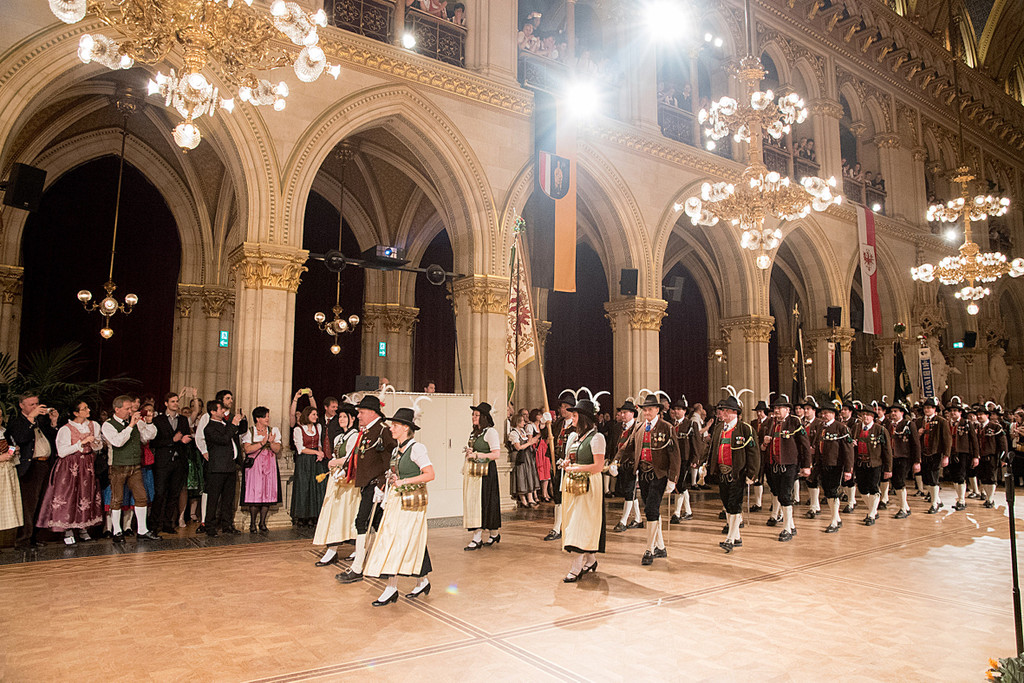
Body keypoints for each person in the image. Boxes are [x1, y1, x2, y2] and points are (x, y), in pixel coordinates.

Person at [363, 405, 435, 606]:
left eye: (395, 425)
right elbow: (398, 474)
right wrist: (388, 483)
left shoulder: (417, 448)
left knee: (400, 541)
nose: (391, 429)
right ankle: (421, 581)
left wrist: (404, 482)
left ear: (405, 428)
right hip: (396, 501)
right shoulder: (396, 449)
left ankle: (391, 588)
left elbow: (430, 474)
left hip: (411, 504)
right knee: (403, 540)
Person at [336, 395, 398, 584]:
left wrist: (382, 481)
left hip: (376, 487)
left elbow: (394, 455)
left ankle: (358, 567)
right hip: (367, 484)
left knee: (361, 521)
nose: (359, 416)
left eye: (361, 413)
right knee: (380, 526)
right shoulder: (367, 431)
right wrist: (346, 470)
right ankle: (386, 563)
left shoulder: (383, 431)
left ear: (372, 413)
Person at [615, 394, 680, 565]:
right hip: (642, 474)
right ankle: (661, 546)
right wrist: (616, 460)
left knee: (651, 508)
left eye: (650, 409)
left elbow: (675, 456)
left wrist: (673, 479)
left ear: (658, 410)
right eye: (644, 409)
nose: (647, 412)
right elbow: (627, 447)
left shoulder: (667, 428)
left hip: (658, 475)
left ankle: (649, 549)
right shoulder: (639, 428)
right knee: (652, 510)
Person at [37, 400, 103, 544]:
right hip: (70, 467)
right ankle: (68, 530)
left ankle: (83, 528)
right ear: (76, 413)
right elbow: (62, 452)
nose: (88, 410)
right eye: (84, 408)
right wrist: (81, 443)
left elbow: (98, 446)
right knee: (70, 496)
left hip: (87, 466)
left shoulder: (93, 425)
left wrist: (94, 443)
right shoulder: (66, 429)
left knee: (85, 496)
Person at [101, 394, 160, 542]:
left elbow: (148, 437)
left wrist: (149, 422)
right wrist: (131, 426)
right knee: (117, 499)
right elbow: (118, 442)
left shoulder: (134, 422)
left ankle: (142, 530)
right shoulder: (108, 425)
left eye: (130, 408)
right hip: (117, 467)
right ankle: (117, 531)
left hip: (135, 466)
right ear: (117, 409)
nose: (130, 411)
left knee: (141, 497)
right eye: (127, 408)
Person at [559, 399, 606, 582]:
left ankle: (576, 567)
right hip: (573, 486)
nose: (572, 418)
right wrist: (566, 464)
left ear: (584, 418)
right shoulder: (573, 438)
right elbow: (570, 458)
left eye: (576, 415)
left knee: (580, 524)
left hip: (589, 486)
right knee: (574, 522)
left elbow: (598, 466)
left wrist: (576, 468)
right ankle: (591, 560)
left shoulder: (597, 438)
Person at [707, 395, 758, 553]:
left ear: (735, 412)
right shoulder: (718, 429)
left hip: (738, 473)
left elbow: (754, 453)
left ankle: (730, 538)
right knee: (727, 503)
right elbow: (713, 450)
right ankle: (736, 536)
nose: (723, 414)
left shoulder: (745, 429)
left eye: (726, 411)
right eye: (722, 411)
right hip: (722, 472)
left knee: (735, 504)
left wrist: (752, 474)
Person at [312, 403, 359, 567]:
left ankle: (350, 549)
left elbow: (351, 458)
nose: (341, 419)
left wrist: (333, 462)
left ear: (352, 419)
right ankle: (332, 549)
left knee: (346, 515)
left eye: (345, 416)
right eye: (340, 417)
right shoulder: (339, 438)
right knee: (332, 513)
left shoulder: (355, 436)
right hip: (336, 480)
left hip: (347, 482)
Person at [10, 393, 57, 547]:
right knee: (29, 505)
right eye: (31, 405)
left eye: (37, 404)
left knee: (42, 503)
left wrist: (53, 422)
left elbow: (52, 439)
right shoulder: (18, 422)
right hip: (30, 467)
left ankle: (35, 537)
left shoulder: (40, 421)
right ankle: (23, 539)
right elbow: (22, 438)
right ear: (21, 406)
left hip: (45, 465)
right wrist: (31, 419)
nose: (36, 407)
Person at [762, 395, 811, 541]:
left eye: (779, 408)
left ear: (787, 410)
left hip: (790, 464)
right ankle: (792, 525)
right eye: (775, 408)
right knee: (777, 493)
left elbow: (805, 445)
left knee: (785, 495)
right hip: (773, 465)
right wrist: (764, 444)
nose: (776, 411)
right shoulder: (771, 423)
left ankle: (786, 528)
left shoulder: (794, 422)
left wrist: (806, 465)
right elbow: (764, 447)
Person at [151, 392, 193, 535]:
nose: (176, 403)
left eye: (177, 401)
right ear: (166, 403)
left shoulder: (183, 419)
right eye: (173, 401)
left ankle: (168, 523)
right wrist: (172, 441)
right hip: (163, 462)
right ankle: (154, 523)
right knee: (160, 493)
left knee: (174, 494)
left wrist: (185, 440)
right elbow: (154, 442)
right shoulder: (159, 420)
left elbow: (186, 436)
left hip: (179, 461)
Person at [461, 401, 502, 551]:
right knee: (475, 503)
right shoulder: (474, 433)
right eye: (473, 414)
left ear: (484, 417)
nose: (473, 417)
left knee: (486, 503)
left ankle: (479, 537)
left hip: (486, 473)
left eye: (476, 415)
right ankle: (493, 534)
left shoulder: (491, 432)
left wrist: (478, 455)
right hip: (474, 472)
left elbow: (496, 454)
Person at [202, 399, 244, 537]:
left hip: (230, 467)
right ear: (213, 412)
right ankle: (210, 526)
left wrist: (239, 421)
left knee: (228, 499)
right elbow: (224, 439)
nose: (223, 411)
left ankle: (227, 525)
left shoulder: (225, 424)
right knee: (214, 499)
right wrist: (232, 424)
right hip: (217, 468)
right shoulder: (209, 428)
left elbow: (235, 434)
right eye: (220, 409)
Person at [240, 407, 282, 533]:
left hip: (269, 464)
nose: (267, 419)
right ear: (258, 418)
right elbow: (247, 449)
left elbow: (277, 448)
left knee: (267, 491)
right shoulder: (250, 431)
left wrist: (270, 442)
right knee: (255, 492)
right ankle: (252, 523)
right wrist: (262, 443)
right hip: (255, 465)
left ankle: (262, 522)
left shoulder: (273, 431)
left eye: (268, 416)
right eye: (264, 416)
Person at [816, 401, 854, 532]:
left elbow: (848, 450)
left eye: (827, 413)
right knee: (828, 492)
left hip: (836, 465)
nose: (824, 415)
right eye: (823, 413)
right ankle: (836, 518)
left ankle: (834, 520)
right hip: (823, 464)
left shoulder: (841, 428)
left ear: (833, 414)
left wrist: (848, 469)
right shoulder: (821, 427)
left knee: (833, 492)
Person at [543, 392, 576, 542]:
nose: (562, 410)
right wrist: (544, 425)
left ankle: (567, 525)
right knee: (557, 496)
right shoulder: (557, 424)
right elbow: (546, 436)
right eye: (562, 407)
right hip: (556, 465)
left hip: (570, 467)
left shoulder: (577, 426)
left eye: (566, 407)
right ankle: (557, 527)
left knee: (569, 496)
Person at [852, 405, 892, 526]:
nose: (866, 417)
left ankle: (871, 514)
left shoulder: (880, 430)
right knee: (862, 489)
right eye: (863, 415)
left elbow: (887, 451)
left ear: (873, 417)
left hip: (875, 464)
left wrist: (888, 468)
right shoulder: (856, 428)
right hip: (859, 463)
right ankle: (873, 510)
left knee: (874, 488)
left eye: (868, 415)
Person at [610, 400, 643, 532]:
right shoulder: (618, 427)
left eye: (625, 412)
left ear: (632, 414)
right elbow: (615, 444)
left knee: (629, 491)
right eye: (621, 412)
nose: (622, 415)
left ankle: (623, 521)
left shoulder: (638, 427)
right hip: (621, 464)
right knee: (629, 491)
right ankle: (638, 519)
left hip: (632, 464)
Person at [291, 405, 325, 527]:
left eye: (316, 414)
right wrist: (316, 452)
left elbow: (319, 443)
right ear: (307, 415)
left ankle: (313, 515)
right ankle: (301, 516)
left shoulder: (318, 427)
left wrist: (320, 453)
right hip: (304, 461)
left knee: (314, 486)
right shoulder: (298, 429)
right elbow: (300, 448)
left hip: (315, 461)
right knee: (303, 486)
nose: (316, 417)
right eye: (313, 414)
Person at [887, 401, 920, 519]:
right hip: (892, 457)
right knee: (895, 482)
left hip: (904, 457)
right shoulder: (888, 425)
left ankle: (902, 508)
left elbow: (915, 443)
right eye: (891, 412)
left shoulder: (908, 424)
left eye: (895, 411)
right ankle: (906, 507)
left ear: (902, 412)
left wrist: (917, 461)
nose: (893, 414)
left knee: (899, 481)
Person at [918, 397, 951, 514]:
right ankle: (936, 498)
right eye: (925, 408)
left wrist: (946, 455)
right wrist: (919, 433)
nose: (927, 410)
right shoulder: (919, 421)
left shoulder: (942, 421)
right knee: (926, 478)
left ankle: (934, 503)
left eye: (929, 408)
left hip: (935, 453)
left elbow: (947, 440)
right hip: (923, 453)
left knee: (934, 478)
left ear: (934, 409)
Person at [946, 399, 979, 511]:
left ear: (960, 412)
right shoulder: (947, 424)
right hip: (951, 452)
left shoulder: (967, 423)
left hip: (963, 453)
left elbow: (974, 441)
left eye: (955, 411)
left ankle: (962, 500)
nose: (953, 413)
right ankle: (959, 498)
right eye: (951, 411)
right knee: (954, 476)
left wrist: (975, 456)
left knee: (961, 476)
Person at [977, 403, 1008, 509]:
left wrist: (1004, 458)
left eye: (982, 414)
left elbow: (1003, 444)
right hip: (980, 456)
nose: (979, 416)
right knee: (983, 478)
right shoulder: (977, 427)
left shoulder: (995, 427)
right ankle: (987, 497)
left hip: (992, 456)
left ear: (987, 415)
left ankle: (990, 498)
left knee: (991, 478)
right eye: (978, 414)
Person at [508, 413, 540, 508]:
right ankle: (523, 499)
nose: (524, 422)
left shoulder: (522, 431)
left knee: (529, 475)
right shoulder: (514, 433)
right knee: (521, 476)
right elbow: (518, 447)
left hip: (527, 456)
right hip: (520, 456)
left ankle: (530, 498)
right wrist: (529, 443)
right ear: (517, 422)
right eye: (522, 421)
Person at [0, 405, 22, 537]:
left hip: (7, 471)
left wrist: (14, 451)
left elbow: (11, 446)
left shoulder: (5, 432)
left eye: (1, 416)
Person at [530, 408, 552, 501]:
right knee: (538, 471)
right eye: (539, 415)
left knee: (546, 471)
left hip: (544, 449)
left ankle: (545, 493)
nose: (540, 416)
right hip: (537, 449)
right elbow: (531, 439)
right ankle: (536, 494)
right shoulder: (531, 426)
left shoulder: (542, 426)